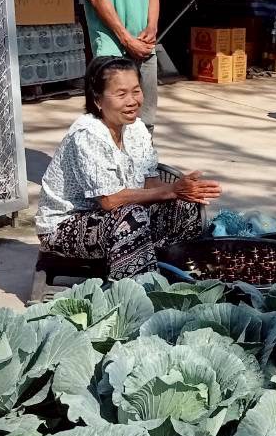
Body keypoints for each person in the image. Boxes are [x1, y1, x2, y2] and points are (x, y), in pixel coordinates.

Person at [36, 57, 221, 279]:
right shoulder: (87, 135)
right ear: (97, 100)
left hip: (114, 215)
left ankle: (169, 271)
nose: (132, 101)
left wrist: (184, 191)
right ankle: (138, 286)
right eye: (121, 94)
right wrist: (171, 190)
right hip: (66, 224)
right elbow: (110, 200)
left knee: (185, 206)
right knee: (131, 217)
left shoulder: (136, 128)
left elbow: (150, 184)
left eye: (136, 91)